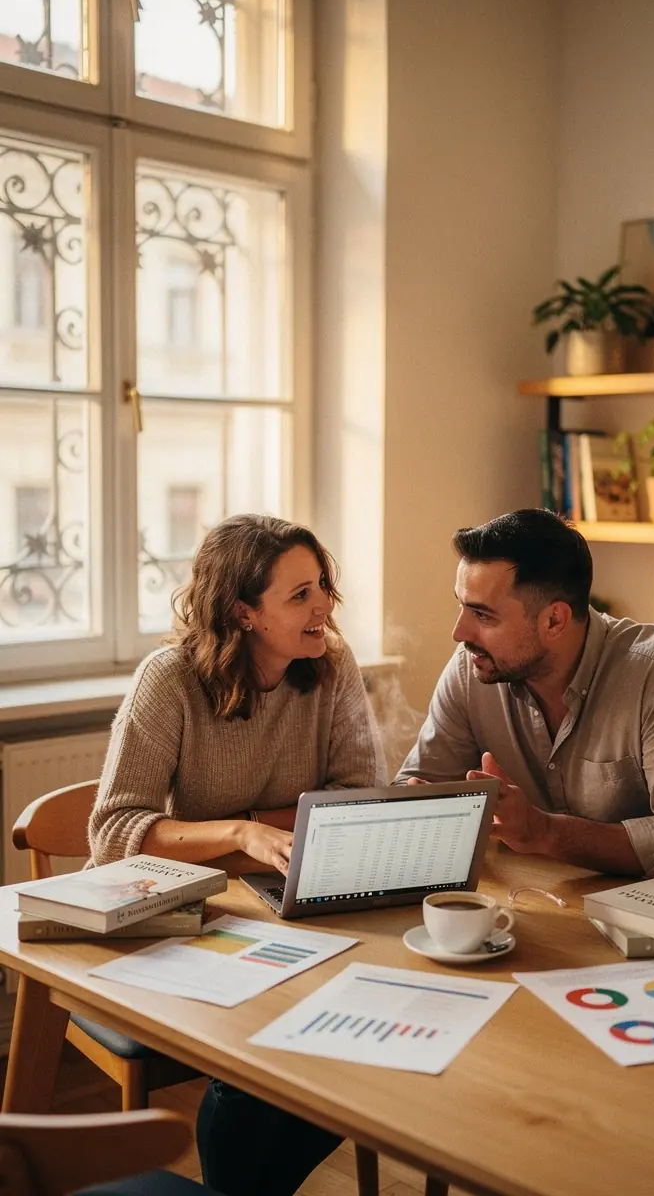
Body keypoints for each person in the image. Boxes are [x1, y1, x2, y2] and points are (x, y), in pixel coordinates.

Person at [89, 513, 387, 1196]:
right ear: (242, 612)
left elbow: (356, 800)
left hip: (284, 910)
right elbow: (113, 832)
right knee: (261, 1062)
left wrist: (253, 828)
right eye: (300, 594)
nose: (324, 606)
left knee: (358, 1035)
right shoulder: (168, 680)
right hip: (177, 919)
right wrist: (240, 835)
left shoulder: (332, 668)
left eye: (323, 586)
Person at [395, 508, 654, 882]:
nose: (459, 633)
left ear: (554, 620)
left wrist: (543, 832)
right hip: (561, 903)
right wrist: (411, 810)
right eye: (461, 605)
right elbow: (415, 787)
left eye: (483, 615)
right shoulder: (472, 668)